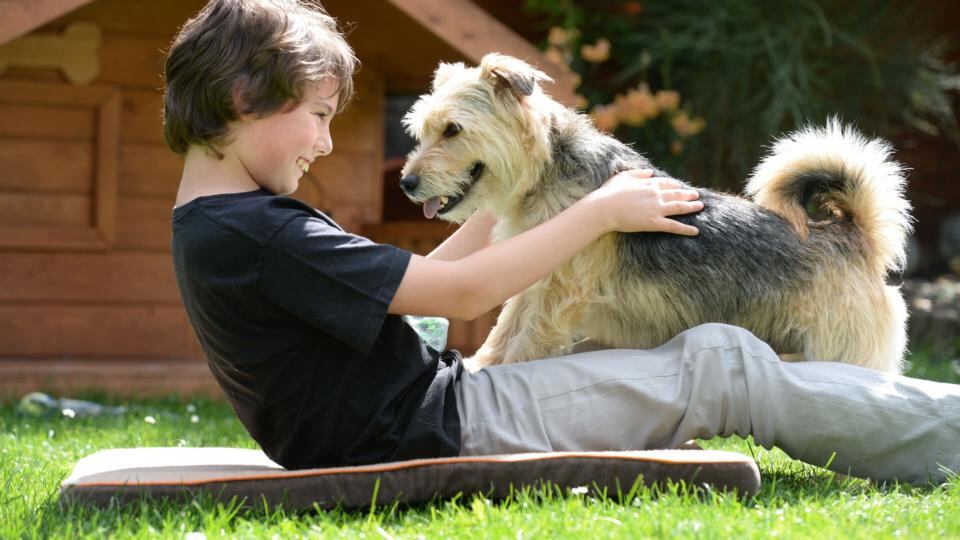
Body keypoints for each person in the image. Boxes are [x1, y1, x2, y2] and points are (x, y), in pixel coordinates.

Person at [165, 0, 960, 484]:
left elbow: (409, 298)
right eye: (319, 115)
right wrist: (599, 211)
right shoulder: (259, 232)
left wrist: (504, 197)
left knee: (709, 356)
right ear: (243, 96)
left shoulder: (223, 228)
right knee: (721, 364)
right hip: (448, 425)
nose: (327, 144)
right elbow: (465, 297)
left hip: (426, 413)